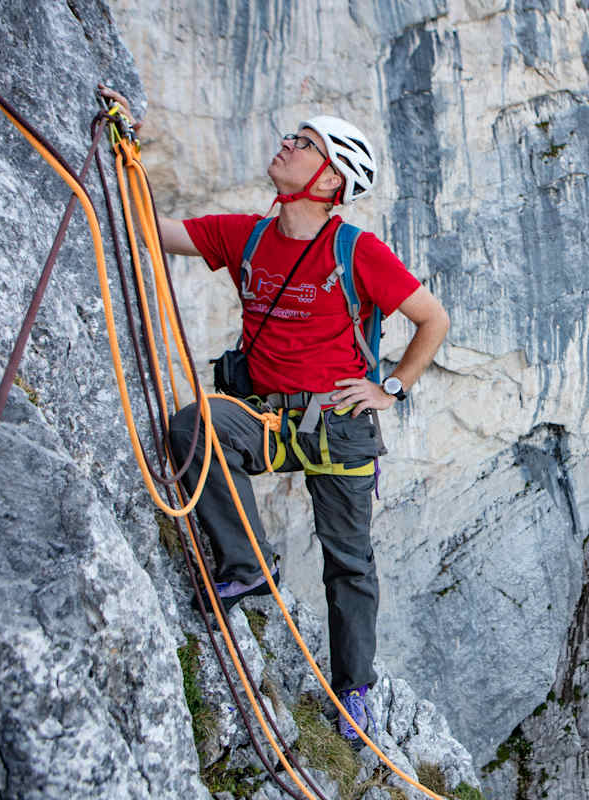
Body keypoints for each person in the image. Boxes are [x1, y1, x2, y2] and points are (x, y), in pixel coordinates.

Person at [98, 87, 450, 741]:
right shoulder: (246, 236)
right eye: (294, 136)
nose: (287, 144)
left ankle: (352, 693)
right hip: (267, 419)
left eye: (304, 143)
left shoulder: (357, 252)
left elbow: (432, 319)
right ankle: (248, 564)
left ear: (330, 179)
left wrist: (391, 388)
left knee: (350, 563)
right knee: (192, 424)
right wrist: (128, 146)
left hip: (341, 426)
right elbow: (151, 230)